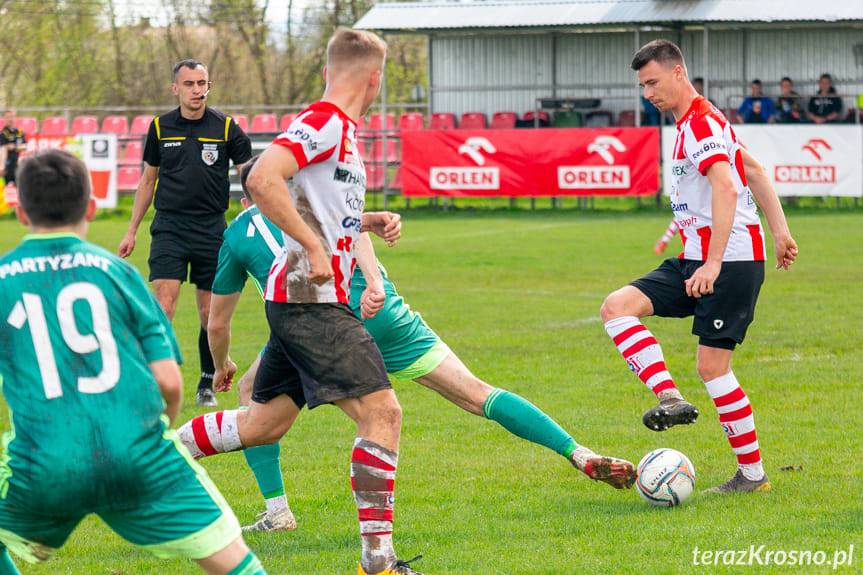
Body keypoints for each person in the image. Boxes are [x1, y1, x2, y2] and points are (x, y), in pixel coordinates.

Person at [184, 157, 637, 533]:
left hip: (321, 326)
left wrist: (220, 362)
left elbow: (216, 320)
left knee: (275, 401)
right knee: (478, 394)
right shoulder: (311, 196)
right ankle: (579, 453)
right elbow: (354, 226)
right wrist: (377, 285)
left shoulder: (238, 233)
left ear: (247, 198)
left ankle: (282, 512)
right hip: (385, 313)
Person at [173, 28, 420, 575]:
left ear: (331, 70)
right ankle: (378, 563)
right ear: (375, 78)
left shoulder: (343, 131)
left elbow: (314, 203)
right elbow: (263, 178)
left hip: (297, 303)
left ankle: (159, 455)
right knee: (383, 413)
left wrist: (366, 222)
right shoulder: (325, 121)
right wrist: (312, 246)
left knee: (263, 425)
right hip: (312, 302)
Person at [0, 150, 266, 574]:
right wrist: (145, 438)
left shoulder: (4, 278)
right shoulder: (117, 274)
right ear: (89, 206)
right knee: (232, 559)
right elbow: (169, 383)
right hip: (135, 454)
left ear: (19, 212)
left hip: (44, 461)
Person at [602, 40, 798, 493]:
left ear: (678, 72)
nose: (647, 93)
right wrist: (782, 232)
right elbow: (755, 170)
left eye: (652, 82)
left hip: (727, 263)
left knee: (713, 367)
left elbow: (728, 187)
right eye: (642, 86)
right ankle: (669, 397)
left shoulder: (702, 124)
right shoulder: (704, 121)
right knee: (617, 307)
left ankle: (752, 477)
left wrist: (712, 263)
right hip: (699, 257)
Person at [117, 59, 253, 407]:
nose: (197, 90)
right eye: (189, 84)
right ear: (175, 88)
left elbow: (250, 172)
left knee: (210, 314)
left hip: (211, 228)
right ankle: (157, 381)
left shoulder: (225, 127)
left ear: (209, 85)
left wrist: (253, 203)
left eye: (202, 83)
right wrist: (131, 229)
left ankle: (207, 381)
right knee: (163, 305)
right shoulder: (161, 128)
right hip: (169, 227)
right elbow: (148, 180)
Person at [0, 109, 27, 187]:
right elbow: (2, 149)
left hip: (17, 166)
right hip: (6, 167)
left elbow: (24, 147)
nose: (10, 119)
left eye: (12, 117)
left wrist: (14, 147)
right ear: (4, 119)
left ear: (15, 118)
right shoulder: (3, 133)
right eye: (8, 117)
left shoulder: (19, 132)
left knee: (19, 189)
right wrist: (1, 167)